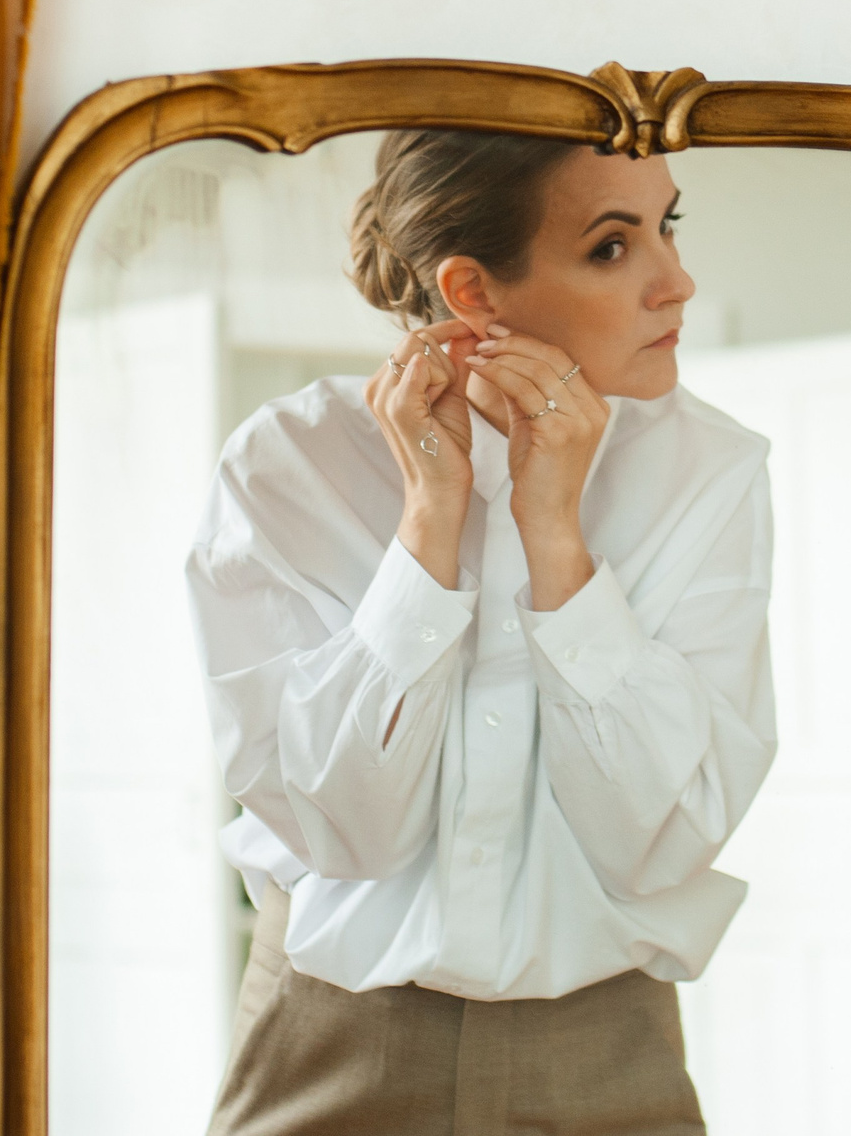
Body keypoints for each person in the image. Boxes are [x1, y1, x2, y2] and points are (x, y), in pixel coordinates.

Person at [189, 129, 776, 1136]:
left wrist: (557, 538)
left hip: (606, 1046)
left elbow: (661, 839)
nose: (676, 281)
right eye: (612, 245)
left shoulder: (711, 472)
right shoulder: (287, 464)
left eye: (666, 225)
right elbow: (348, 829)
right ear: (472, 290)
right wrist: (430, 519)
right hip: (330, 1032)